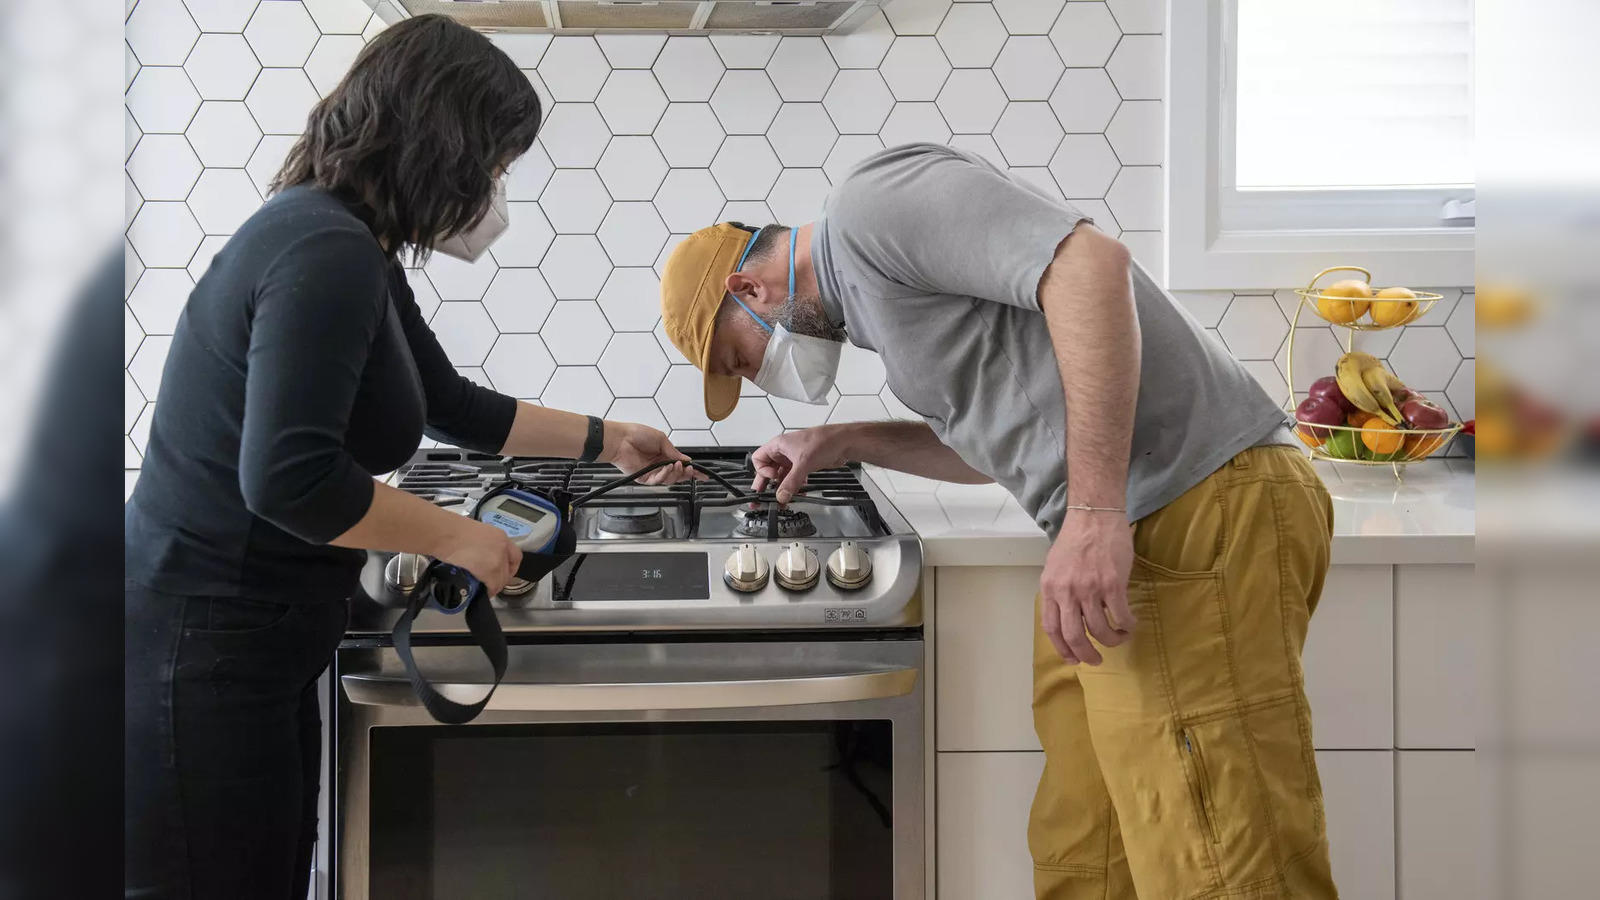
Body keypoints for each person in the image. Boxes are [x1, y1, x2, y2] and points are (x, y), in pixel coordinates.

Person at [659, 143, 1339, 899]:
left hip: (1193, 504)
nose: (762, 377)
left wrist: (1091, 511)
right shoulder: (883, 314)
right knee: (1085, 846)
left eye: (742, 358)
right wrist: (842, 441)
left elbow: (1090, 268)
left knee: (1219, 858)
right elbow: (998, 447)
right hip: (1131, 530)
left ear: (747, 286)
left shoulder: (867, 210)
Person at [124, 16, 693, 899]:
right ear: (444, 143)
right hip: (203, 648)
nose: (497, 189)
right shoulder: (325, 250)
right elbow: (288, 477)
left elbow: (445, 404)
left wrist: (605, 438)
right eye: (495, 163)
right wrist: (456, 537)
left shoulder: (352, 245)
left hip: (248, 639)